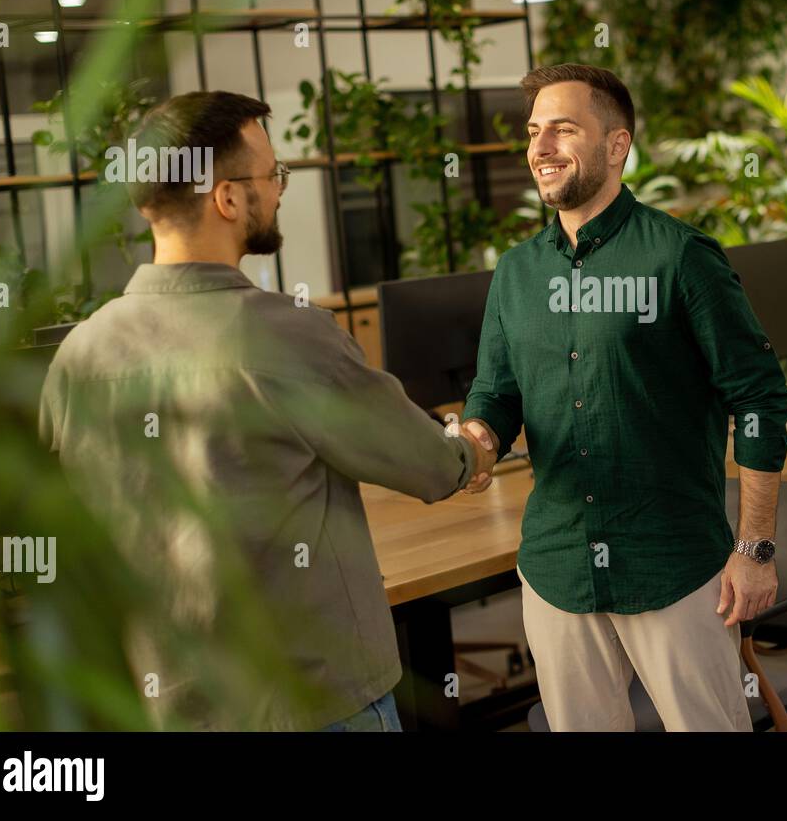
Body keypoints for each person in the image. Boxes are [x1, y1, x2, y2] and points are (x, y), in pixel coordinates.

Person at [38, 91, 496, 731]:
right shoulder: (287, 335)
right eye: (272, 175)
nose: (279, 189)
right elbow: (428, 465)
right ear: (226, 198)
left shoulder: (80, 355)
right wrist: (474, 446)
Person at [457, 63, 787, 731]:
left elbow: (759, 398)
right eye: (533, 133)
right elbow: (495, 394)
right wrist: (476, 441)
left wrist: (754, 551)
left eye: (563, 129)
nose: (541, 148)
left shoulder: (681, 257)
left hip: (673, 564)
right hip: (555, 567)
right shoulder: (517, 274)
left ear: (616, 146)